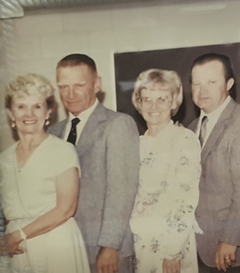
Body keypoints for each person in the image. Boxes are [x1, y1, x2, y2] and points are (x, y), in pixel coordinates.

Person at [49, 54, 139, 273]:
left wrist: (109, 246)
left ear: (97, 84)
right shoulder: (53, 132)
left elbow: (121, 191)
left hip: (104, 250)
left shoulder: (118, 124)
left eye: (79, 85)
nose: (70, 95)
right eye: (63, 87)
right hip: (65, 249)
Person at [0, 73, 90, 273]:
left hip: (55, 244)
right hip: (16, 249)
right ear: (10, 113)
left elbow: (66, 209)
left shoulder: (62, 151)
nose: (29, 114)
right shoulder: (4, 159)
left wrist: (19, 234)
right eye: (21, 106)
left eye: (37, 106)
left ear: (48, 112)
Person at [187, 53, 240, 273]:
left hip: (232, 250)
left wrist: (230, 240)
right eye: (197, 83)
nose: (202, 90)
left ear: (229, 84)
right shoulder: (191, 128)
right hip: (200, 247)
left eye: (212, 82)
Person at [129, 69, 202, 273]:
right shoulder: (137, 143)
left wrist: (173, 251)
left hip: (169, 246)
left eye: (162, 99)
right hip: (139, 243)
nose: (153, 107)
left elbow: (187, 200)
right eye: (147, 99)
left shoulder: (184, 140)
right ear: (139, 103)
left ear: (173, 103)